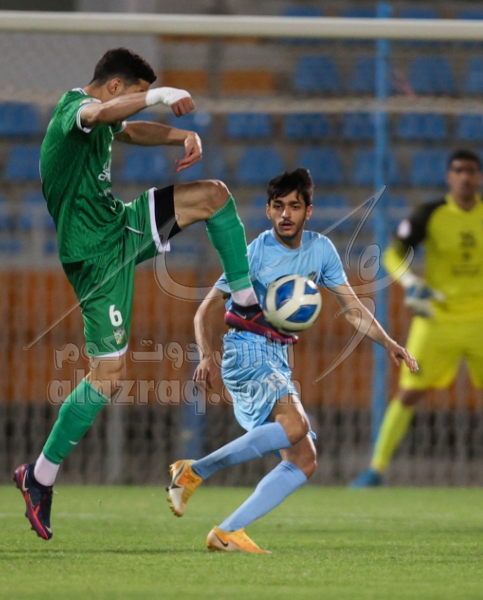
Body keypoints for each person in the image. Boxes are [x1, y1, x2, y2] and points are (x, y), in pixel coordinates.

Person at [13, 47, 295, 541]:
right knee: (108, 377)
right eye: (137, 93)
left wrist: (178, 136)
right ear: (116, 86)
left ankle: (246, 304)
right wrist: (160, 95)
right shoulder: (74, 111)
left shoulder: (105, 119)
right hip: (94, 257)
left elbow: (125, 128)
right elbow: (102, 115)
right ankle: (39, 477)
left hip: (120, 225)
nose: (140, 101)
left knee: (214, 196)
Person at [167, 168, 418, 553]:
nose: (286, 214)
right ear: (268, 210)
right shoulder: (254, 253)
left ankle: (228, 532)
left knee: (303, 459)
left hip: (277, 356)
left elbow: (352, 308)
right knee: (296, 425)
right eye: (279, 206)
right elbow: (204, 311)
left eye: (295, 206)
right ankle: (194, 470)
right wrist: (206, 356)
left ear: (308, 211)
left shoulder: (321, 250)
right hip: (246, 349)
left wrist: (388, 342)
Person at [351, 149, 483, 488]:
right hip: (437, 317)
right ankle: (376, 469)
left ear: (480, 177)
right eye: (459, 170)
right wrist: (411, 282)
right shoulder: (430, 214)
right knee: (409, 392)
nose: (465, 176)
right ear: (450, 177)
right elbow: (393, 255)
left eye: (471, 170)